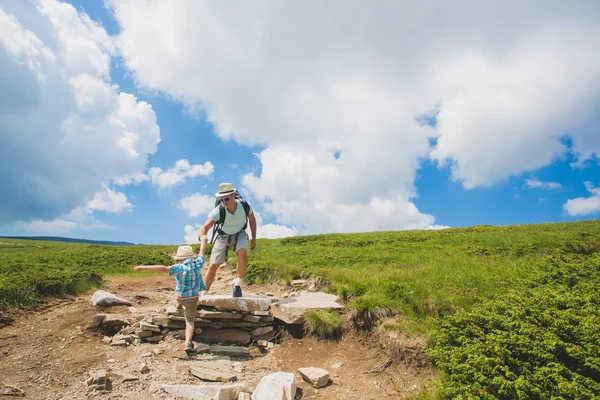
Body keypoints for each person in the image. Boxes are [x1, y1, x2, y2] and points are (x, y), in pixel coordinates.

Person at [133, 245, 205, 356]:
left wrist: (143, 267)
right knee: (190, 322)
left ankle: (179, 305)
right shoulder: (198, 264)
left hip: (180, 297)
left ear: (180, 258)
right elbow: (202, 252)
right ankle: (187, 343)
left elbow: (163, 268)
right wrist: (204, 241)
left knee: (179, 296)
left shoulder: (179, 267)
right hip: (193, 298)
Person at [198, 182, 257, 298]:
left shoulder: (245, 205)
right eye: (221, 200)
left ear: (233, 195)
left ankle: (237, 286)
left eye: (226, 198)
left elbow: (252, 220)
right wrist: (202, 236)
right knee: (213, 265)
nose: (224, 202)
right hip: (223, 235)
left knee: (242, 252)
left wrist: (253, 238)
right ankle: (203, 293)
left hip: (240, 232)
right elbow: (204, 227)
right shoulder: (218, 211)